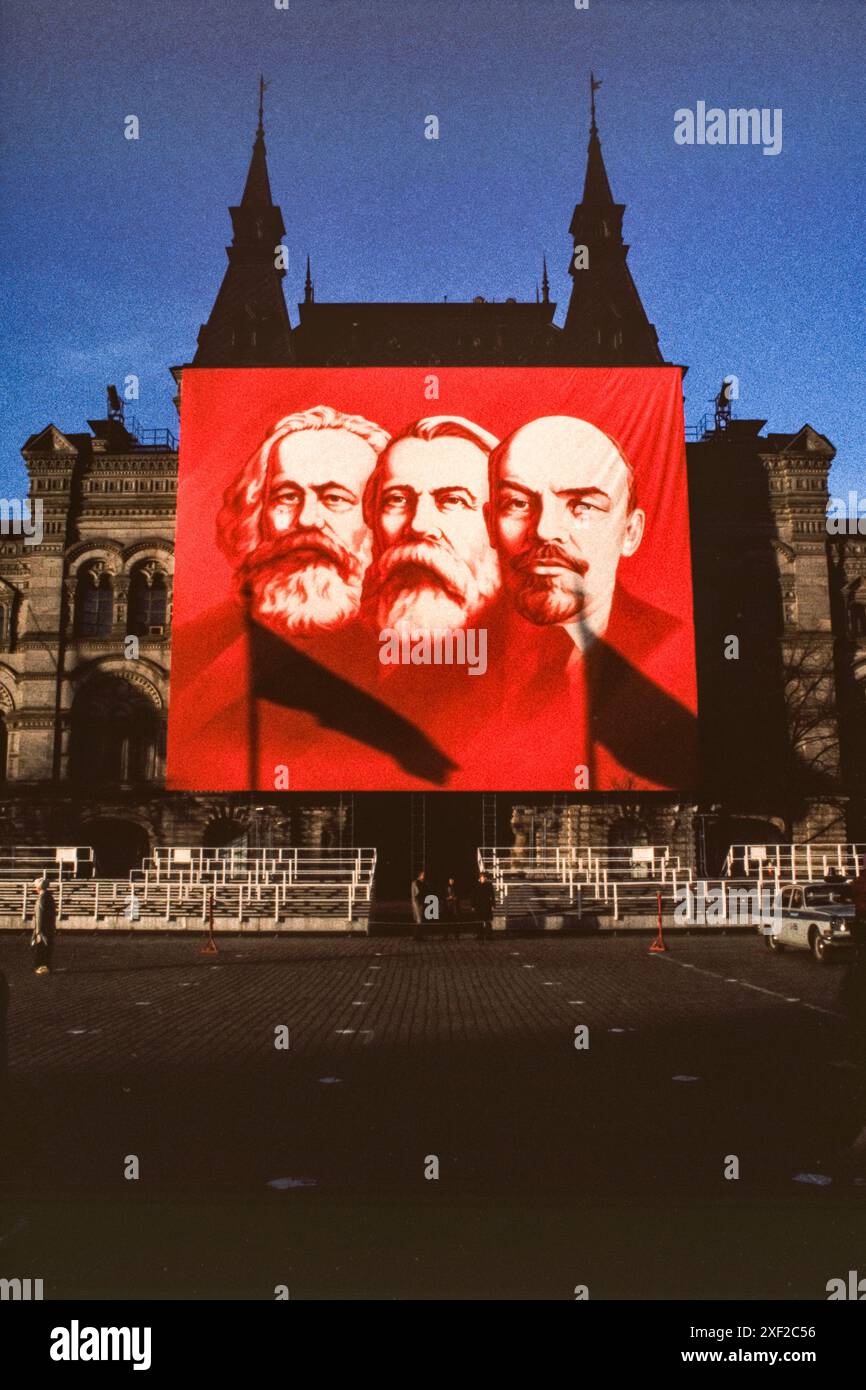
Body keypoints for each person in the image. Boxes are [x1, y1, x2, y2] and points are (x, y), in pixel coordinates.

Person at [483, 414, 697, 789]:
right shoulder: (440, 666)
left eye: (582, 506)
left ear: (630, 532)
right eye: (517, 503)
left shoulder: (673, 651)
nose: (546, 529)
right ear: (490, 525)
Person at [31, 876, 57, 975]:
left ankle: (41, 967)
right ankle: (47, 966)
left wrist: (38, 931)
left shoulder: (41, 898)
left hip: (43, 928)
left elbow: (39, 916)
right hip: (49, 927)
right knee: (48, 948)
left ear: (38, 888)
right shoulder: (50, 897)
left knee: (41, 948)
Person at [470, 870, 496, 942]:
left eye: (483, 877)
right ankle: (479, 935)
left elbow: (492, 896)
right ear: (480, 878)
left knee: (487, 922)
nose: (483, 878)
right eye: (481, 877)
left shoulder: (488, 885)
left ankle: (489, 935)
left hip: (487, 906)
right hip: (478, 906)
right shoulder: (476, 885)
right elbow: (473, 896)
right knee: (479, 922)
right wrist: (472, 906)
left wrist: (493, 905)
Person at [411, 868, 427, 940]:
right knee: (419, 920)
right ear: (420, 875)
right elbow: (417, 894)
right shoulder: (415, 883)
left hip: (420, 902)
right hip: (417, 902)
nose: (424, 876)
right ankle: (417, 936)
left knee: (420, 919)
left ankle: (417, 936)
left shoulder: (421, 883)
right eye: (423, 875)